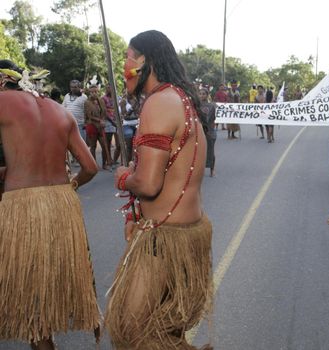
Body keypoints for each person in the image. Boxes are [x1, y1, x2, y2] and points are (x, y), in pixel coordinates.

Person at [105, 30, 213, 350]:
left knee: (131, 328)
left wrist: (124, 177)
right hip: (185, 233)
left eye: (127, 57)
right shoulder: (182, 100)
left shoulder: (159, 102)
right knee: (166, 330)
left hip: (163, 239)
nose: (123, 66)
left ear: (145, 62)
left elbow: (149, 184)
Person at [0, 60, 100, 349]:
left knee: (31, 296)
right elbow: (90, 168)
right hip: (61, 203)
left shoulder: (4, 103)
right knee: (45, 288)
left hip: (23, 206)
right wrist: (70, 186)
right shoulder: (60, 111)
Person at [84, 84, 112, 170]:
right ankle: (94, 165)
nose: (94, 93)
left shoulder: (101, 100)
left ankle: (104, 164)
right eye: (92, 92)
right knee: (93, 146)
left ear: (98, 91)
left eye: (95, 91)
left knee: (104, 145)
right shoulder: (87, 102)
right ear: (89, 92)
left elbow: (104, 112)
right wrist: (99, 120)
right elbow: (89, 116)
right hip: (92, 125)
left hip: (101, 126)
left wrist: (103, 120)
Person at [199, 87, 217, 177]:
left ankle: (212, 169)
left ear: (207, 95)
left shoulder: (211, 106)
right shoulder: (196, 105)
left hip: (209, 131)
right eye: (200, 93)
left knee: (210, 151)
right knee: (198, 152)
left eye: (204, 94)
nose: (202, 95)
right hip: (199, 132)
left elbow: (212, 119)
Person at [102, 85, 121, 165]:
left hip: (117, 121)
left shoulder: (117, 97)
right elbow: (104, 112)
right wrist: (113, 122)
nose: (109, 90)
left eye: (111, 88)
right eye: (108, 89)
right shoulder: (103, 98)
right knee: (108, 142)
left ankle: (114, 159)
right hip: (108, 122)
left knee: (119, 143)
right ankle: (109, 159)